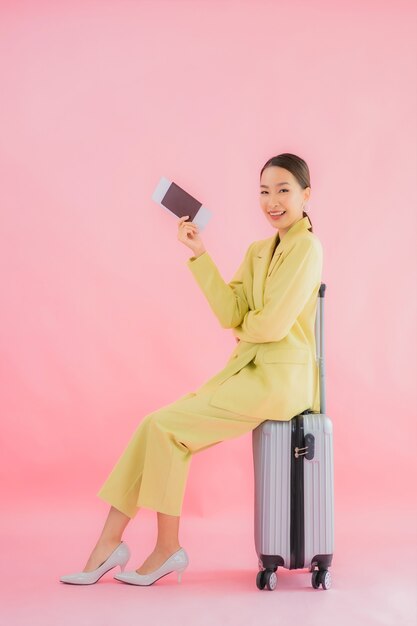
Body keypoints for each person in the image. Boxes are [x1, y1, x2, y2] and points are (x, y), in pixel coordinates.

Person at [59, 152, 323, 586]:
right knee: (154, 426)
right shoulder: (259, 251)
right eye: (264, 191)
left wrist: (248, 324)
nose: (272, 201)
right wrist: (200, 254)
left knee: (166, 428)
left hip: (281, 381)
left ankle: (166, 549)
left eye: (283, 190)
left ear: (305, 195)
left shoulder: (308, 248)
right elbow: (230, 311)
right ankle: (108, 545)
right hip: (249, 372)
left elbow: (272, 325)